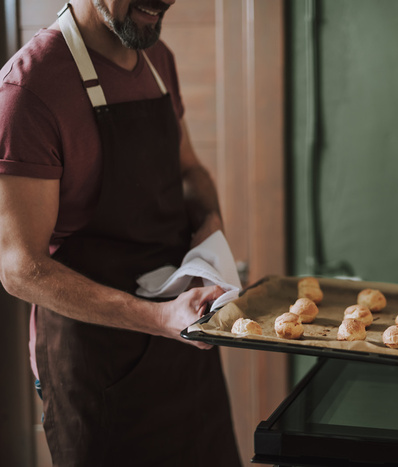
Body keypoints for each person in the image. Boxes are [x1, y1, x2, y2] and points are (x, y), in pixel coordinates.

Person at [0, 0, 241, 465]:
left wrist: (211, 230)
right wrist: (160, 319)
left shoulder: (158, 60)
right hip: (97, 371)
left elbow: (189, 170)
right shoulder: (29, 88)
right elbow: (19, 269)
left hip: (185, 346)